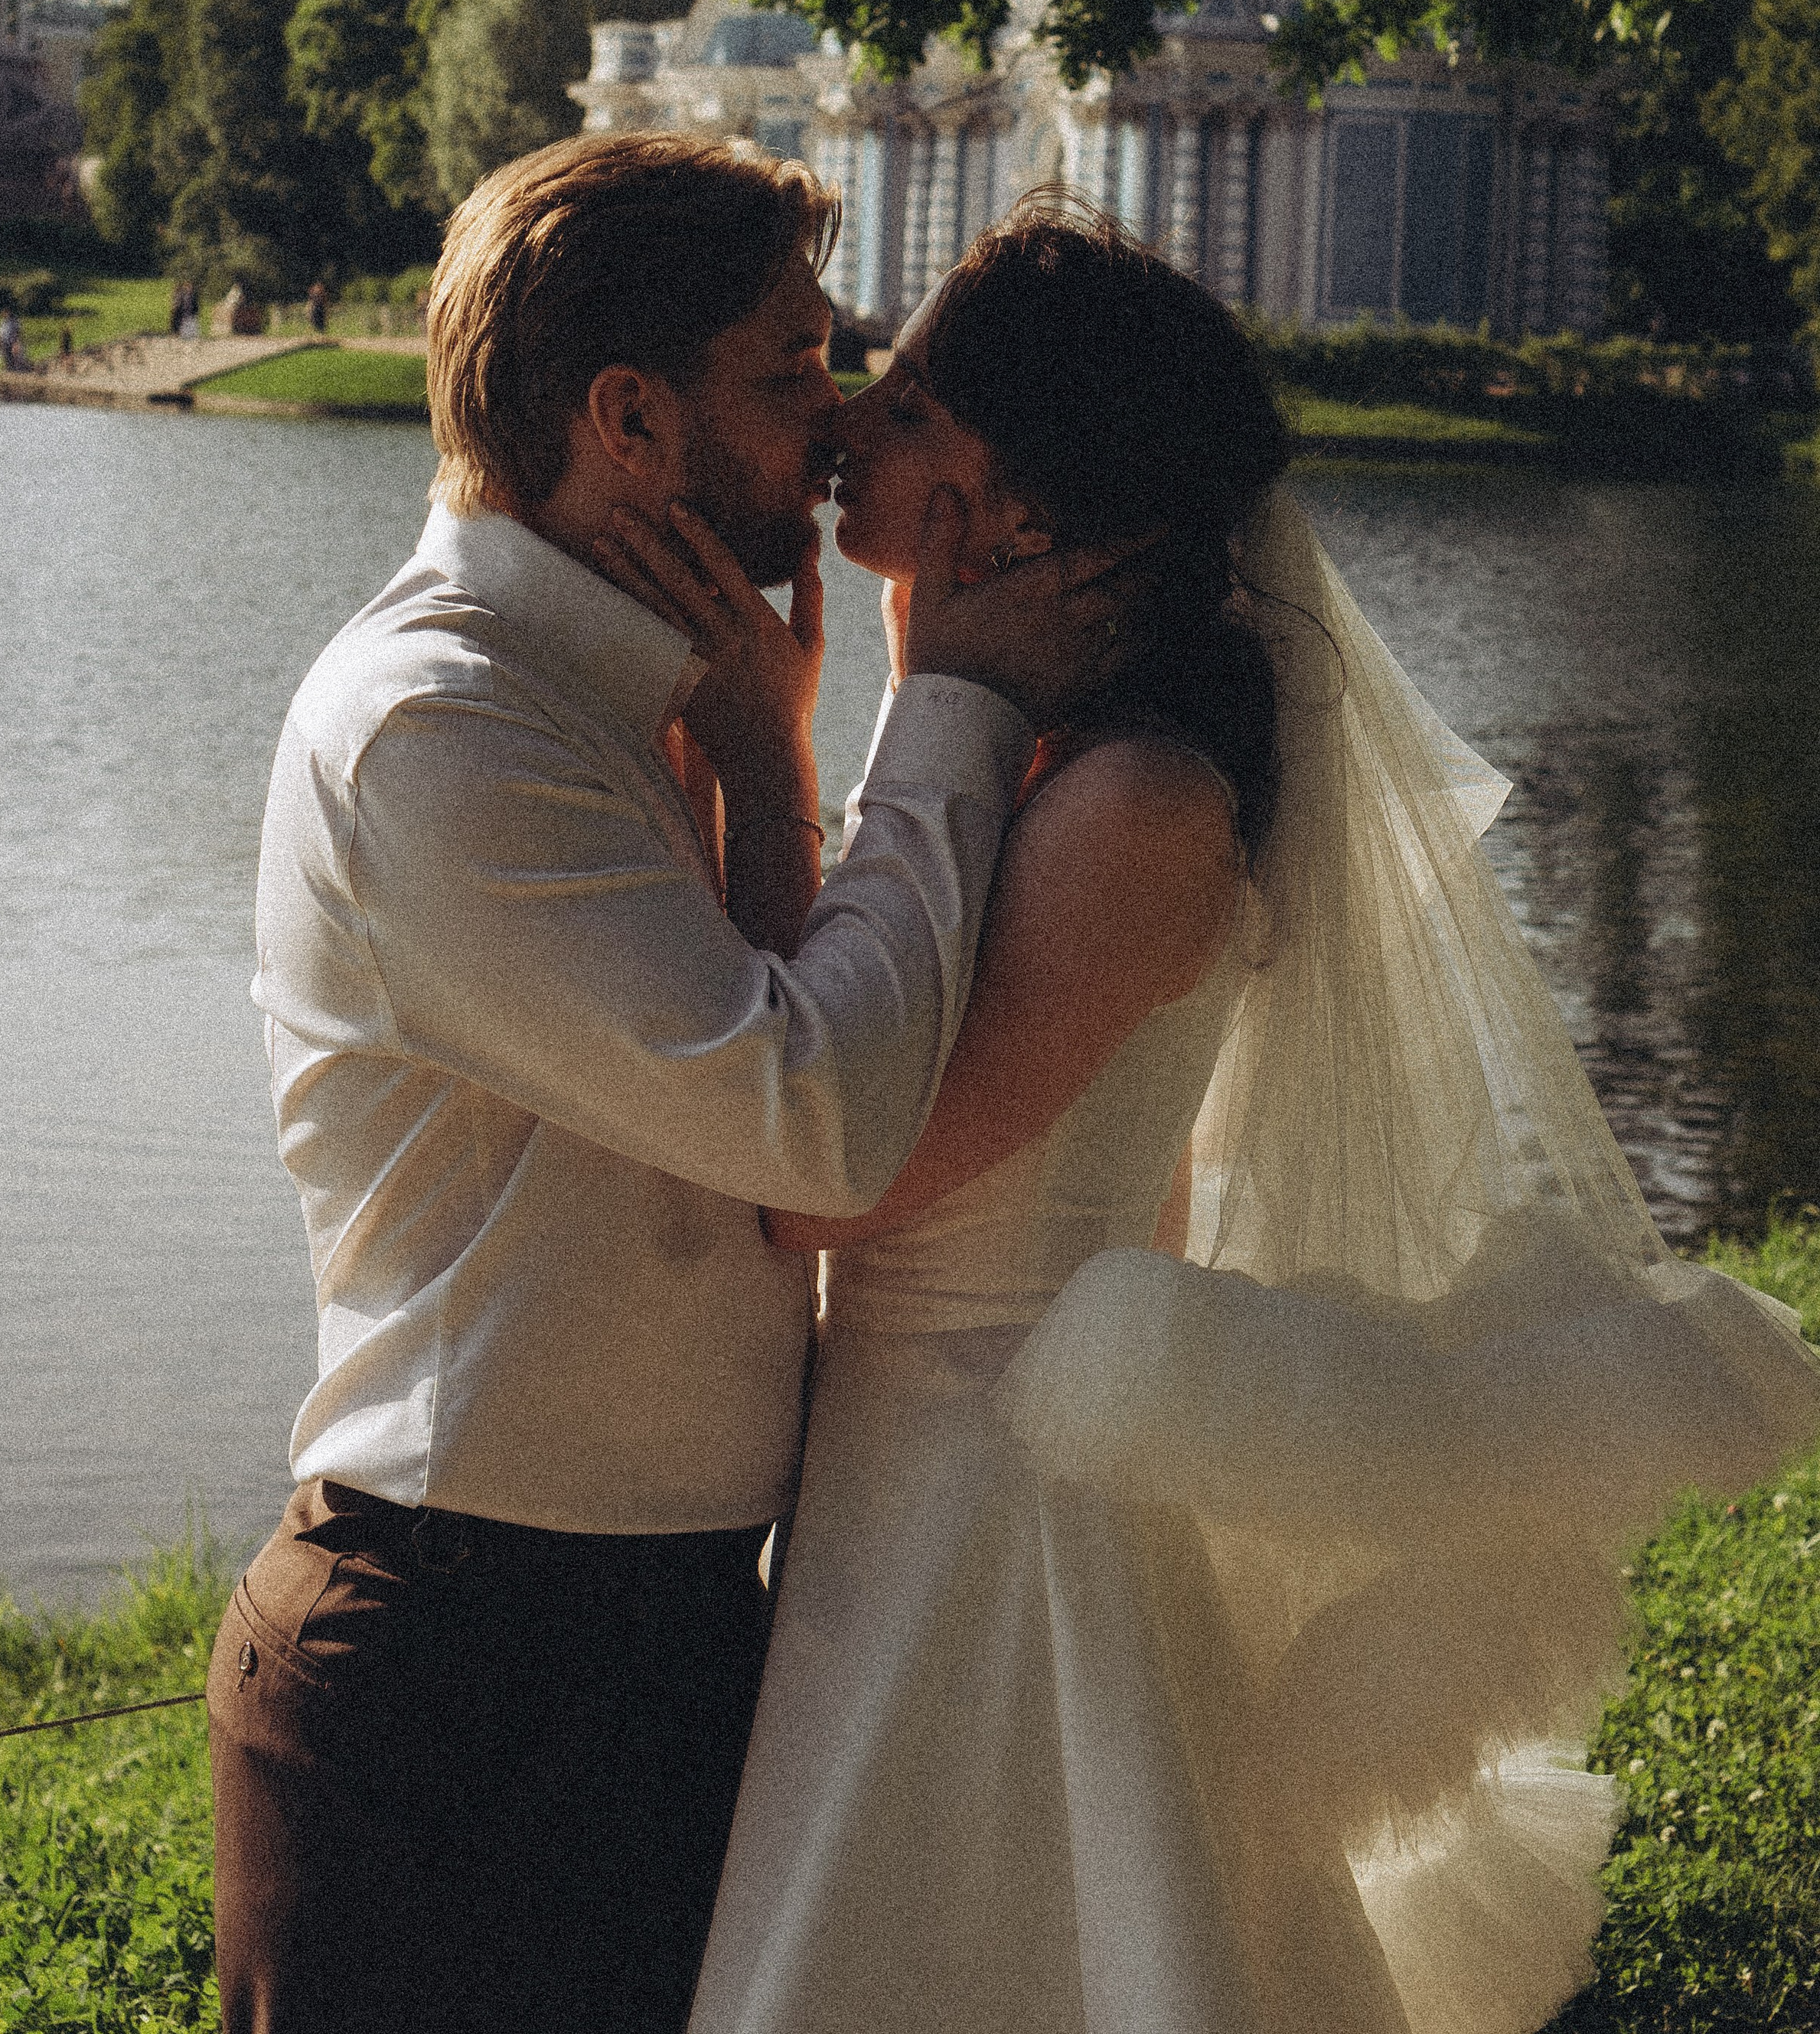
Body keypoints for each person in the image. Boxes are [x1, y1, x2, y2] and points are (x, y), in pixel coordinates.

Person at [604, 200, 1820, 2034]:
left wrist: (807, 754)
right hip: (910, 1469)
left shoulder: (1131, 811)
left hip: (992, 1506)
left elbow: (816, 1189)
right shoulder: (1034, 764)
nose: (855, 411)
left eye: (918, 401)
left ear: (1023, 505)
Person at [205, 138, 1135, 2034]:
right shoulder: (443, 731)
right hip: (462, 1679)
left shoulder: (645, 698)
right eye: (792, 366)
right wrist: (943, 700)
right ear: (628, 416)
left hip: (654, 1644)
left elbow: (783, 1097)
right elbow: (817, 1122)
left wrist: (771, 749)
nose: (841, 419)